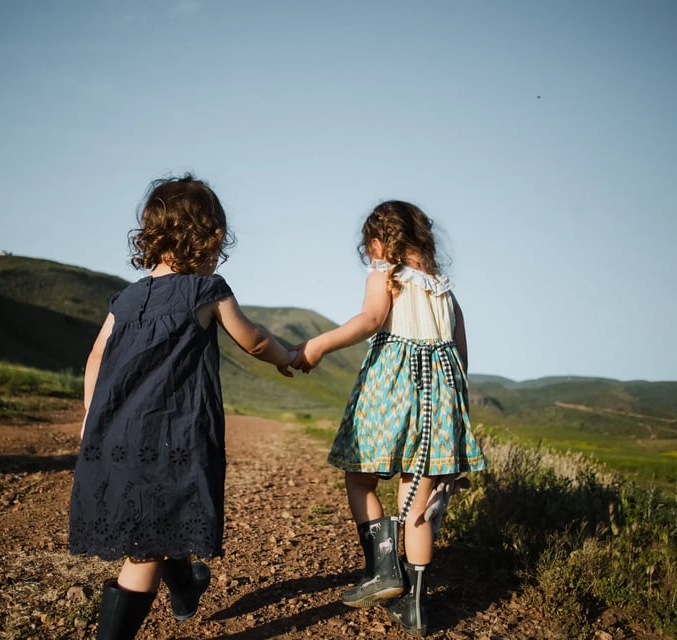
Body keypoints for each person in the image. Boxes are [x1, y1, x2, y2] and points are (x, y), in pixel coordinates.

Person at [69, 174, 294, 640]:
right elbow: (252, 340)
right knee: (144, 549)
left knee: (157, 521)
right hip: (174, 435)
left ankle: (187, 588)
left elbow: (95, 358)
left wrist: (93, 422)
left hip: (115, 434)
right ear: (207, 236)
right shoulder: (207, 290)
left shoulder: (125, 299)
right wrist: (288, 356)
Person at [292, 200, 487, 636]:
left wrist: (317, 346)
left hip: (392, 389)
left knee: (360, 476)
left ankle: (383, 569)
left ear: (381, 243)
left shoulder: (387, 275)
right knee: (417, 504)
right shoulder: (445, 290)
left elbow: (371, 319)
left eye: (370, 247)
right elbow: (461, 357)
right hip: (441, 399)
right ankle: (416, 607)